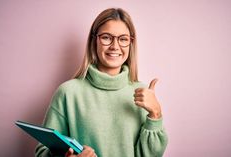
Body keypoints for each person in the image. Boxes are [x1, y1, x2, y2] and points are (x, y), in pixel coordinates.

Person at [35, 8, 168, 157]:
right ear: (94, 41)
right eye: (106, 37)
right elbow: (42, 152)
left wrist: (155, 114)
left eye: (123, 39)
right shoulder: (68, 92)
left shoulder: (143, 94)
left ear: (130, 44)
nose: (115, 46)